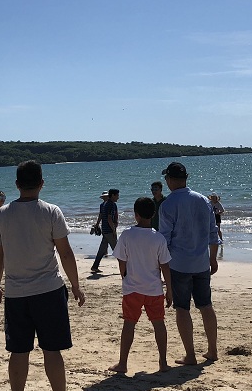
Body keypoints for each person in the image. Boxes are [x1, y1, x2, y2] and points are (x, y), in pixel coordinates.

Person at [0, 160, 85, 391]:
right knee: (52, 350)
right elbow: (65, 253)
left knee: (18, 351)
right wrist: (75, 286)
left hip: (17, 294)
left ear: (17, 184)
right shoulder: (51, 211)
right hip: (49, 291)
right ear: (42, 183)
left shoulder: (1, 215)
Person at [157, 161, 219, 365]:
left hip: (179, 264)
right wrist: (212, 258)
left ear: (170, 180)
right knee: (206, 306)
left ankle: (190, 354)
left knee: (182, 308)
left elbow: (164, 239)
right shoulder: (203, 200)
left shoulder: (168, 204)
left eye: (167, 178)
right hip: (201, 262)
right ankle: (212, 350)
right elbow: (212, 233)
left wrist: (160, 264)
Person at [109, 197, 173, 375]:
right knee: (158, 323)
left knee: (129, 324)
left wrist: (124, 276)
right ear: (153, 214)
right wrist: (169, 289)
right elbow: (165, 266)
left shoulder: (127, 235)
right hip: (154, 288)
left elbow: (121, 261)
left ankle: (123, 363)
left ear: (135, 214)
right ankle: (163, 362)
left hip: (132, 288)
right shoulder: (158, 238)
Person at [91, 188, 119, 273]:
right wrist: (113, 230)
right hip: (109, 230)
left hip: (105, 229)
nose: (118, 197)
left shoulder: (105, 205)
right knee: (117, 250)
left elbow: (102, 216)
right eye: (117, 195)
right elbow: (109, 219)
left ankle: (95, 266)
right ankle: (126, 268)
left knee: (102, 250)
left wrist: (97, 224)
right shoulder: (111, 204)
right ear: (113, 195)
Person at [208, 193, 225, 258]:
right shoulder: (210, 203)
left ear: (216, 198)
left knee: (218, 229)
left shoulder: (218, 204)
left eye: (214, 198)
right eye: (212, 198)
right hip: (211, 216)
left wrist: (218, 213)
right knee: (210, 228)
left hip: (217, 216)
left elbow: (222, 210)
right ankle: (210, 239)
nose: (213, 199)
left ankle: (221, 239)